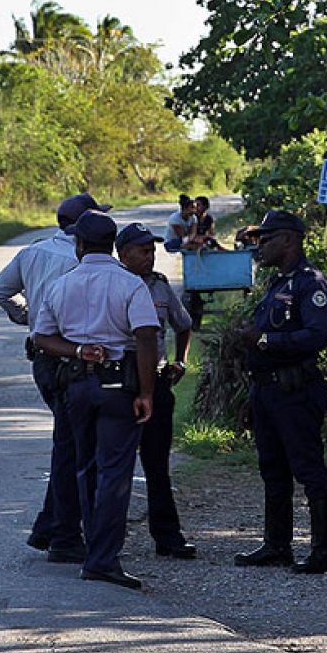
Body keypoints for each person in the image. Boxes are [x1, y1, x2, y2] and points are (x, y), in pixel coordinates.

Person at [32, 210, 161, 590]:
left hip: (76, 387)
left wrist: (77, 350)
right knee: (115, 473)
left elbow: (42, 338)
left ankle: (91, 550)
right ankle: (103, 558)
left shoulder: (62, 284)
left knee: (84, 468)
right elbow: (146, 337)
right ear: (113, 245)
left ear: (80, 245)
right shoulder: (130, 284)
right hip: (117, 387)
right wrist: (147, 393)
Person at [0, 192, 110, 560]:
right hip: (73, 357)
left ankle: (52, 526)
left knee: (70, 442)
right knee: (74, 447)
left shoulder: (32, 252)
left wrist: (28, 317)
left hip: (43, 357)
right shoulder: (83, 260)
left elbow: (1, 291)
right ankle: (62, 534)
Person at [233, 210, 327, 575]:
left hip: (296, 391)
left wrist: (264, 340)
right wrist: (252, 396)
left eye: (267, 238)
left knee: (308, 470)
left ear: (290, 240)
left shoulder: (311, 284)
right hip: (267, 392)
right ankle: (277, 545)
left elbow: (315, 336)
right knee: (272, 470)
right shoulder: (278, 284)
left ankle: (325, 551)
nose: (260, 246)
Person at [115, 222, 197, 558]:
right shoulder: (113, 285)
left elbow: (184, 324)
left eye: (152, 250)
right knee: (114, 465)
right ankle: (106, 539)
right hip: (121, 381)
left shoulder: (161, 287)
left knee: (157, 465)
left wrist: (181, 362)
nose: (150, 257)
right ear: (123, 254)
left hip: (159, 381)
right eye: (143, 250)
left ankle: (168, 537)